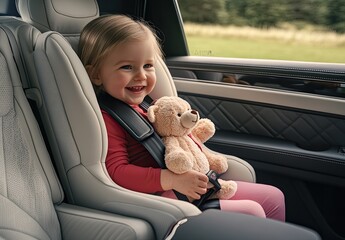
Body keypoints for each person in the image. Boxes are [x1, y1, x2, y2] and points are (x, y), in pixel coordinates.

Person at [78, 14, 285, 221]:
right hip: (164, 196)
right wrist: (170, 180)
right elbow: (117, 172)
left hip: (189, 184)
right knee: (252, 211)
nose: (141, 75)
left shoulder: (147, 105)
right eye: (127, 67)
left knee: (274, 196)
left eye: (148, 65)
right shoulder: (107, 118)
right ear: (96, 75)